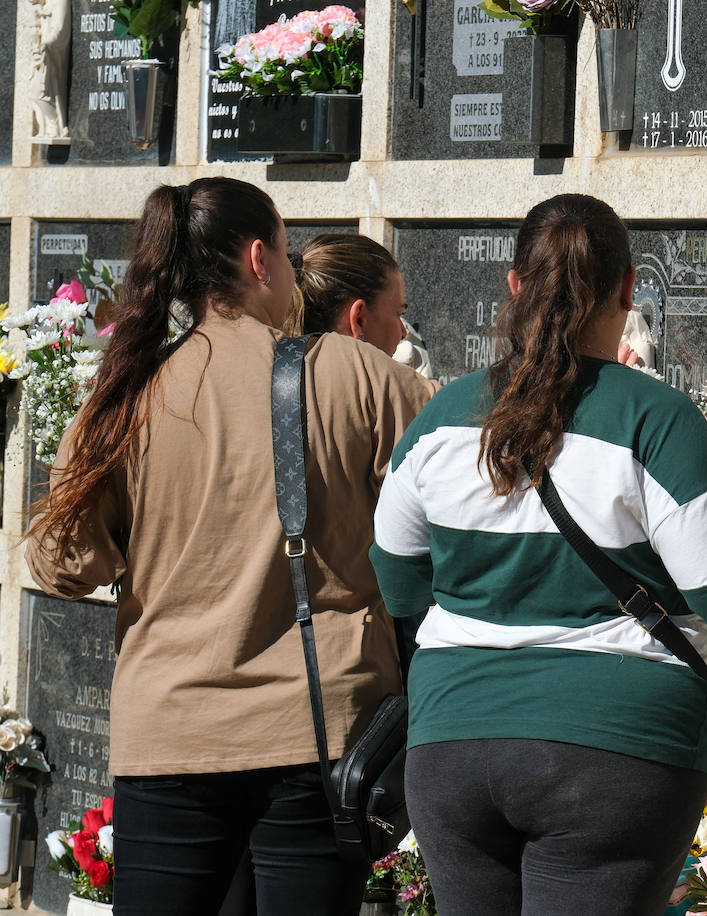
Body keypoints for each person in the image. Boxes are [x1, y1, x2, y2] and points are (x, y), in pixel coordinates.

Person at [370, 193, 707, 915]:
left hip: (455, 745)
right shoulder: (654, 417)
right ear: (629, 289)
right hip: (615, 748)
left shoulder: (440, 419)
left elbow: (398, 579)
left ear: (514, 286)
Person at [25, 178, 434, 915]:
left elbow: (62, 565)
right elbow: (463, 494)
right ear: (258, 260)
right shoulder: (358, 375)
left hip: (171, 734)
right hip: (319, 728)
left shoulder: (127, 394)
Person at [297, 233, 409, 359]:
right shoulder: (397, 378)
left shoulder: (276, 369)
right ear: (358, 320)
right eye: (398, 313)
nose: (404, 333)